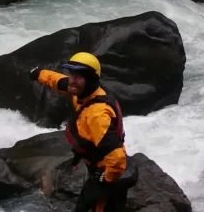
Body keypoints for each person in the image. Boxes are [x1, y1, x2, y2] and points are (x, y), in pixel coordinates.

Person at [29, 52, 138, 212]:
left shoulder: (96, 116)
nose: (73, 80)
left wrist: (105, 181)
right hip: (97, 166)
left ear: (91, 80)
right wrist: (39, 74)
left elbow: (117, 159)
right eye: (72, 74)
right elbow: (59, 81)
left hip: (106, 172)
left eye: (79, 77)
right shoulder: (84, 92)